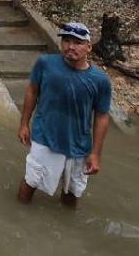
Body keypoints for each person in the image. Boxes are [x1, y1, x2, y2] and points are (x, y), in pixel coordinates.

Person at [16, 22, 113, 208]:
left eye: (77, 42)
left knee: (72, 193)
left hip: (78, 144)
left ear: (89, 46)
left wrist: (95, 153)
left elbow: (102, 116)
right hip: (44, 137)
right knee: (31, 182)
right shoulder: (45, 63)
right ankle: (17, 216)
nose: (70, 46)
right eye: (66, 40)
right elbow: (32, 91)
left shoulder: (100, 80)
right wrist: (24, 124)